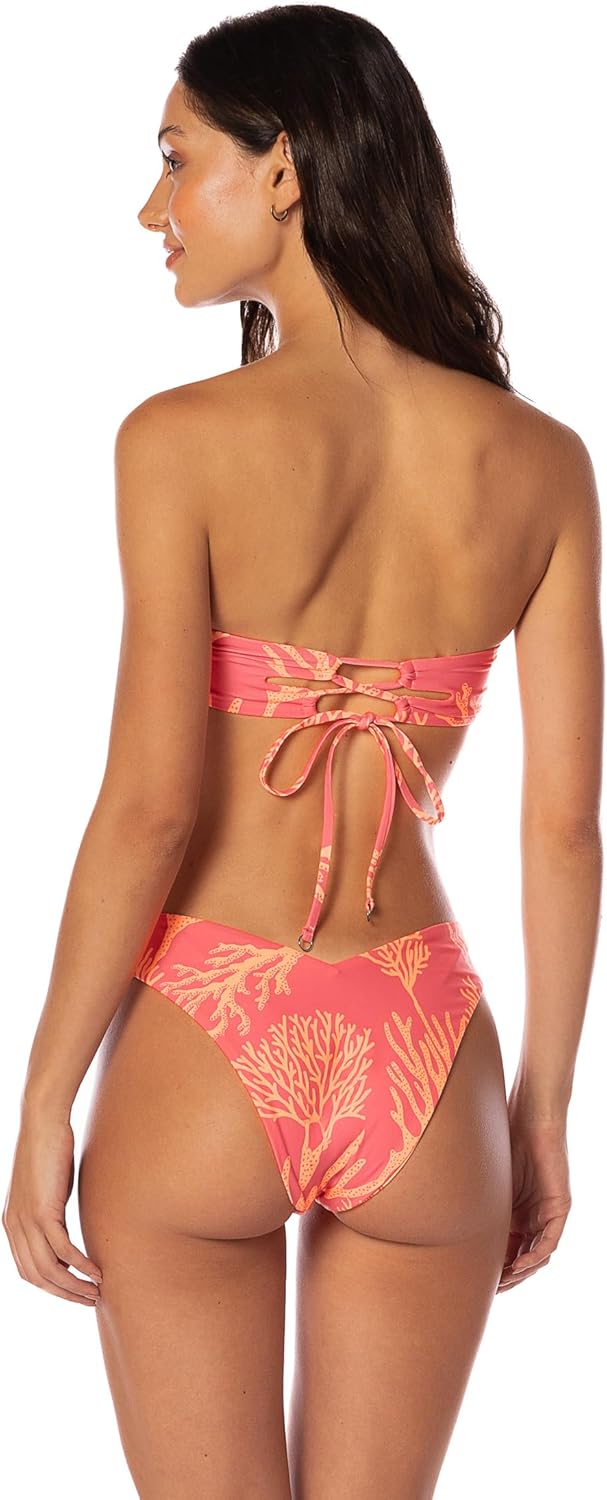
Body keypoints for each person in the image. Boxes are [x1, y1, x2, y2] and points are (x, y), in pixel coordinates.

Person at [3, 6, 602, 1498]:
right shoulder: (543, 462)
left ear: (282, 170)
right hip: (429, 1049)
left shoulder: (178, 440)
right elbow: (563, 827)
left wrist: (44, 1100)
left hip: (207, 1034)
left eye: (174, 158)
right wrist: (541, 1110)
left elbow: (149, 810)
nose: (150, 207)